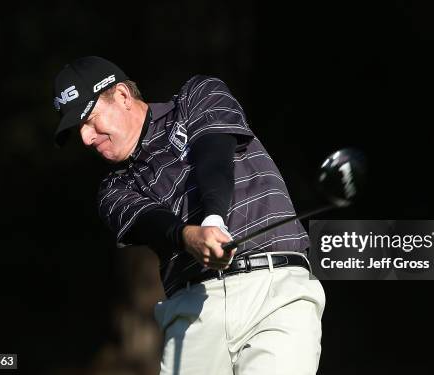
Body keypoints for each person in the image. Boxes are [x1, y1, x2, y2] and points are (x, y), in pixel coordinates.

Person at [52, 56, 326, 375]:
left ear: (123, 96)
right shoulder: (113, 189)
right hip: (193, 314)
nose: (86, 138)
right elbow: (153, 223)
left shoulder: (197, 95)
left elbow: (213, 154)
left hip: (273, 291)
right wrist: (190, 238)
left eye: (89, 118)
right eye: (78, 130)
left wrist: (213, 220)